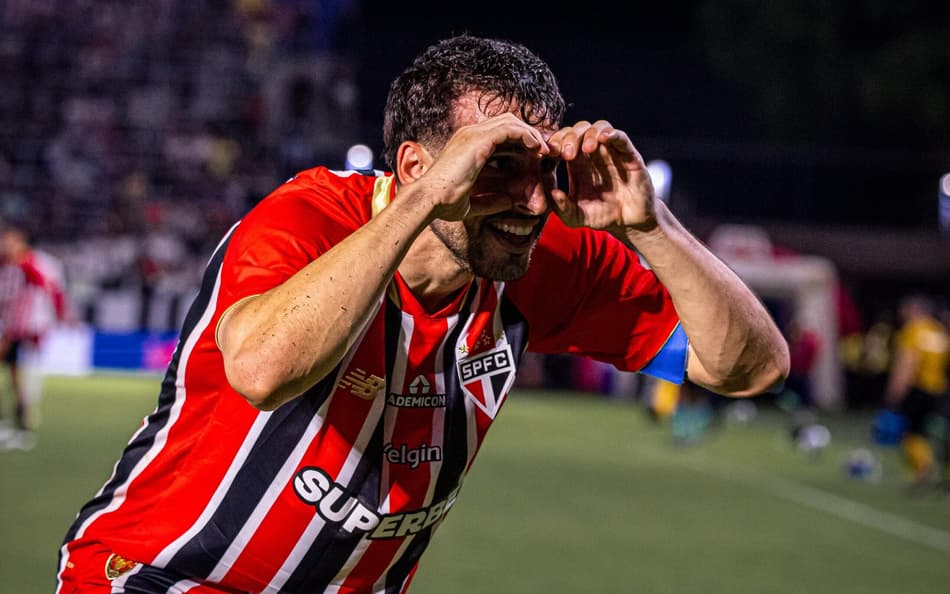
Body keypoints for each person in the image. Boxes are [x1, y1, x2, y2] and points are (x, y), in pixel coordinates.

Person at [58, 35, 789, 593]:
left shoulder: (543, 259)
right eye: (497, 164)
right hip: (160, 576)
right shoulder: (310, 216)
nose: (532, 201)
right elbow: (259, 369)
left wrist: (650, 224)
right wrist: (428, 200)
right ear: (416, 167)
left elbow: (752, 367)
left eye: (542, 166)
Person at [0, 225, 71, 451]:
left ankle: (24, 421)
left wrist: (57, 316)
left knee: (26, 374)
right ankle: (17, 421)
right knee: (16, 374)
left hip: (26, 329)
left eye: (11, 240)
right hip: (11, 329)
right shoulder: (9, 264)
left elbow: (52, 291)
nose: (6, 244)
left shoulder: (30, 265)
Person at [883, 294, 949, 487]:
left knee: (910, 433)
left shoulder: (913, 330)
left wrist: (895, 391)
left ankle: (923, 467)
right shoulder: (938, 330)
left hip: (918, 389)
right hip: (939, 389)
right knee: (935, 431)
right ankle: (943, 470)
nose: (901, 314)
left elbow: (908, 361)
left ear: (914, 309)